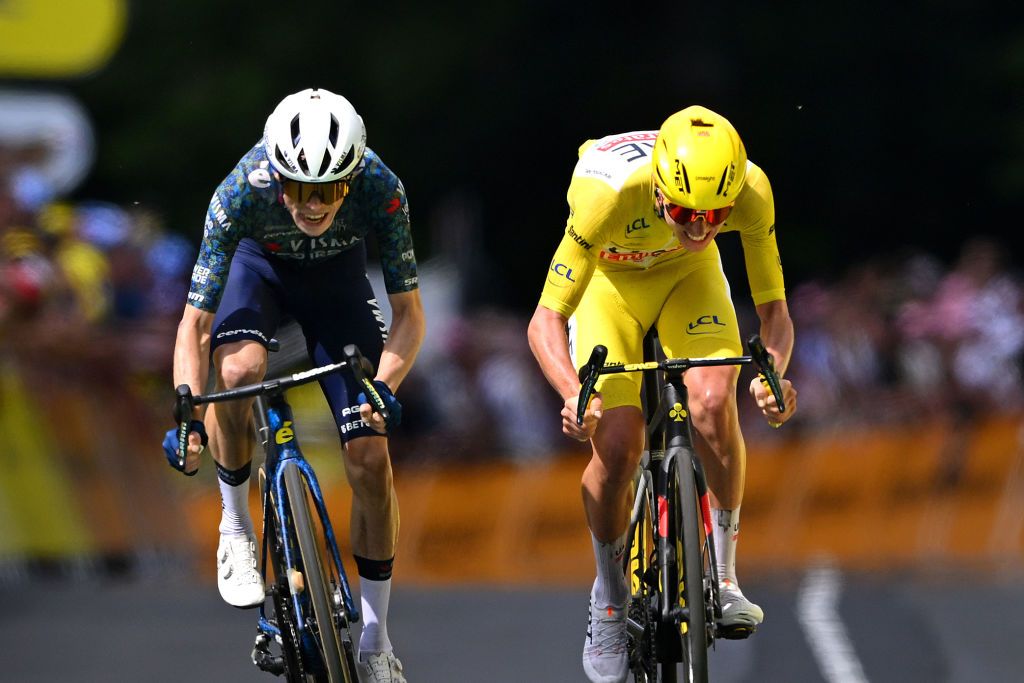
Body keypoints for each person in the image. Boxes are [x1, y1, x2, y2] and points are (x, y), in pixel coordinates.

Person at [527, 105, 797, 683]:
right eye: (682, 213)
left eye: (712, 217)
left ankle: (723, 578)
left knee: (711, 403)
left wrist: (772, 375)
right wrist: (574, 394)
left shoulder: (750, 189)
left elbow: (774, 309)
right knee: (618, 446)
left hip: (686, 281)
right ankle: (608, 597)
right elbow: (544, 321)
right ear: (658, 191)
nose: (699, 229)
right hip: (609, 287)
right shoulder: (607, 194)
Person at [163, 87, 423, 683]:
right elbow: (195, 326)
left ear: (351, 179)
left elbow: (409, 314)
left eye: (329, 190)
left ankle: (377, 637)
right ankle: (234, 525)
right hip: (260, 274)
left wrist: (385, 384)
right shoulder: (238, 192)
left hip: (337, 286)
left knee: (369, 454)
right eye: (300, 189)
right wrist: (186, 412)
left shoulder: (382, 188)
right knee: (236, 373)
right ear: (276, 176)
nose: (313, 204)